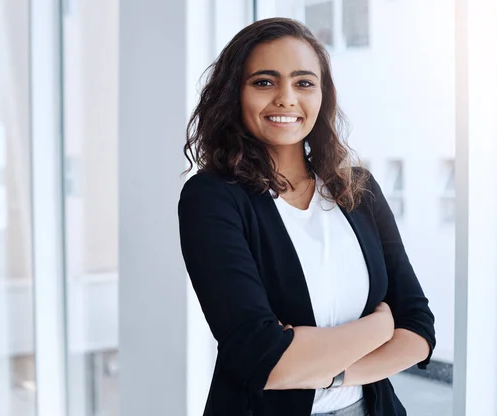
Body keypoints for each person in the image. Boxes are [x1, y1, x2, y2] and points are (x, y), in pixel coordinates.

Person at [178, 17, 435, 416]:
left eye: (303, 83)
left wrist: (331, 372)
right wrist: (379, 329)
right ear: (234, 94)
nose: (286, 98)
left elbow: (418, 327)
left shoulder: (358, 190)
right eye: (264, 82)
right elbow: (261, 358)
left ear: (322, 96)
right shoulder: (212, 198)